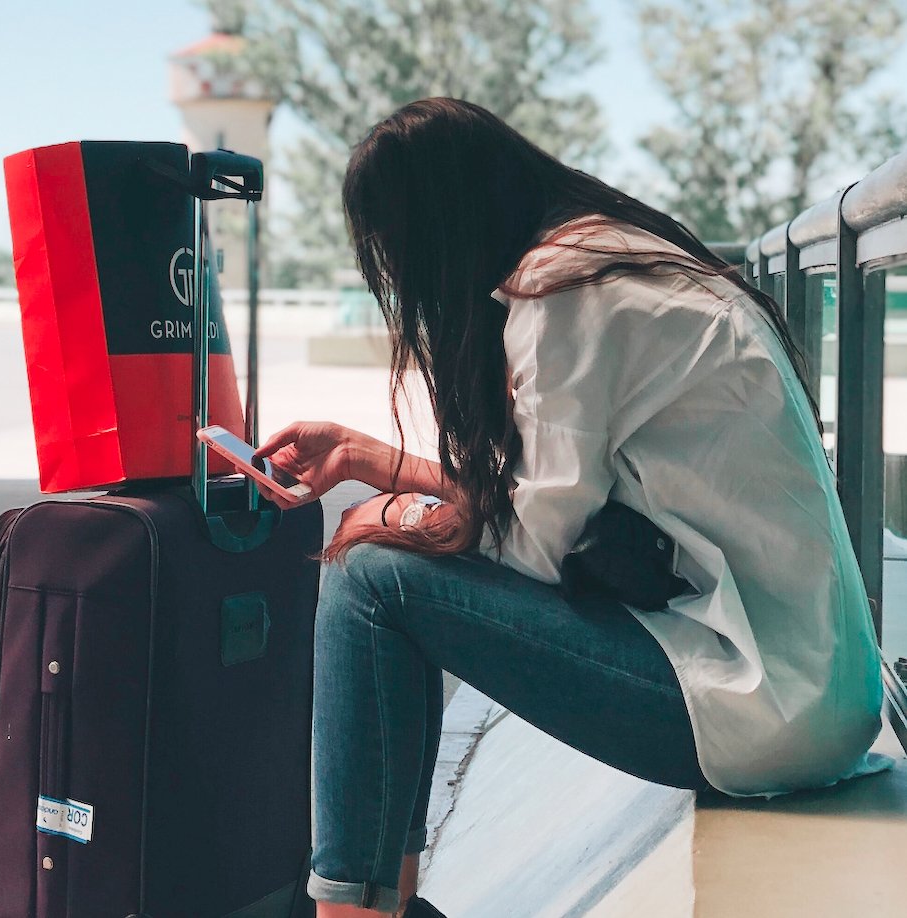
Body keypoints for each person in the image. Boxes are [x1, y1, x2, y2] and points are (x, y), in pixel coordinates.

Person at [253, 98, 892, 918]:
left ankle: (353, 908)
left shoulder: (563, 295)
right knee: (379, 564)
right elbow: (543, 503)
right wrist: (370, 460)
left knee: (371, 579)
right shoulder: (615, 262)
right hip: (810, 688)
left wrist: (391, 516)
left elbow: (529, 547)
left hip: (760, 704)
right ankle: (378, 901)